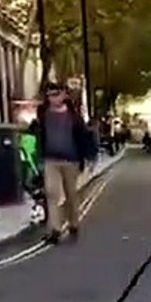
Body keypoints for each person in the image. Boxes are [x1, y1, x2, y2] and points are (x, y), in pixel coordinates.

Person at [32, 82, 96, 244]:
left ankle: (74, 223)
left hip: (71, 160)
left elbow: (84, 137)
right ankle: (55, 230)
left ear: (64, 95)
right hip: (51, 159)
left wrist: (89, 157)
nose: (53, 98)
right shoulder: (43, 113)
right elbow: (39, 135)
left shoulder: (74, 117)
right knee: (52, 193)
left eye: (56, 94)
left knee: (70, 194)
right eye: (50, 95)